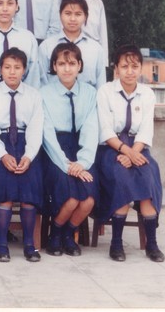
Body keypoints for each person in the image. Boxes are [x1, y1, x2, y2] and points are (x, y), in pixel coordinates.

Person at [96, 44, 164, 262]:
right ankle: (116, 243)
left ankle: (152, 244)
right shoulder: (105, 92)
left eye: (134, 66)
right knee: (121, 177)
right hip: (111, 148)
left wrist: (133, 153)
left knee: (148, 176)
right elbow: (105, 130)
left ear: (141, 68)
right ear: (116, 69)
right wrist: (125, 152)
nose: (129, 71)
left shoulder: (147, 94)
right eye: (124, 66)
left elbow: (146, 130)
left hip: (138, 147)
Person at [0, 48, 44, 262]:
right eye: (7, 67)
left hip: (27, 144)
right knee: (5, 191)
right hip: (0, 144)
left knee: (29, 192)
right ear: (0, 70)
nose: (12, 72)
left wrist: (29, 156)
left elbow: (36, 129)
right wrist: (2, 154)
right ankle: (1, 244)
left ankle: (29, 244)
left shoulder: (34, 96)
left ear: (24, 70)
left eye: (17, 67)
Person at [41, 42, 98, 257]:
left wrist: (82, 163)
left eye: (72, 63)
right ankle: (55, 233)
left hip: (81, 150)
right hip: (54, 152)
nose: (67, 69)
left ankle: (68, 233)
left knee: (88, 199)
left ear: (79, 66)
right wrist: (66, 165)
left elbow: (91, 129)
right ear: (54, 66)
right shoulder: (44, 93)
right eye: (62, 64)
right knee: (71, 197)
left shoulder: (90, 93)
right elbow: (47, 134)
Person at [38, 0, 106, 89]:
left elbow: (101, 85)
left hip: (88, 98)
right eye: (68, 13)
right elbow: (41, 84)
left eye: (78, 14)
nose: (72, 19)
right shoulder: (46, 46)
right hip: (53, 97)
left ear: (85, 16)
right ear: (60, 15)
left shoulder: (96, 49)